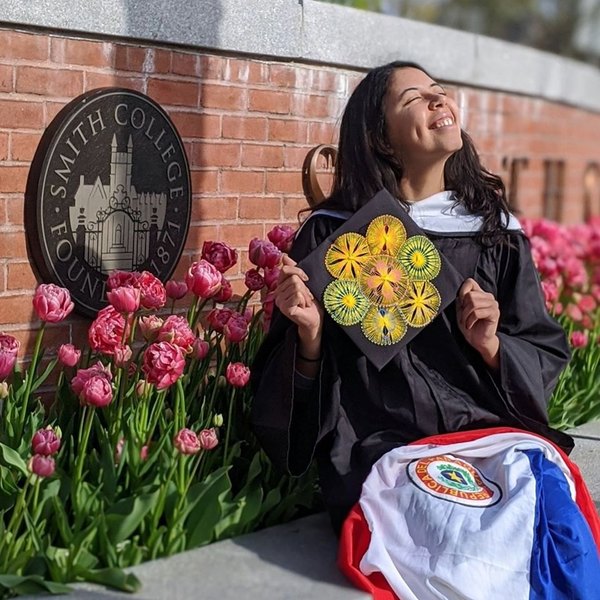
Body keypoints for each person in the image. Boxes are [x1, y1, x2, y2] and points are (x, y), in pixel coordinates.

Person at [251, 61, 600, 597]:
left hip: (493, 435)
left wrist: (492, 345)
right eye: (416, 98)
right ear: (381, 138)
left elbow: (542, 351)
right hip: (391, 448)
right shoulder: (341, 239)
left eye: (441, 92)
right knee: (462, 545)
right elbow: (296, 409)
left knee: (557, 530)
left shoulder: (495, 235)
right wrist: (310, 335)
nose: (440, 102)